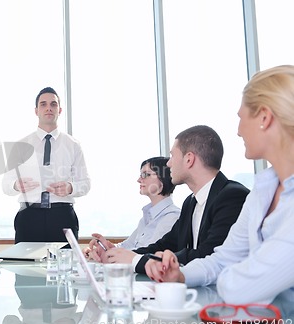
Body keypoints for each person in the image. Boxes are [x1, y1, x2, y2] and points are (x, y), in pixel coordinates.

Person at [145, 65, 294, 304]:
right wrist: (180, 274)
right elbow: (224, 259)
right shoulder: (263, 190)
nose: (238, 131)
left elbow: (242, 287)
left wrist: (225, 276)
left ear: (264, 117)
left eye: (241, 118)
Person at [87, 125, 250, 275]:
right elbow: (165, 245)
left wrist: (136, 260)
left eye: (172, 156)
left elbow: (208, 255)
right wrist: (117, 254)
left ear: (189, 159)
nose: (169, 163)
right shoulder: (191, 202)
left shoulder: (231, 196)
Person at [2, 87, 91, 243]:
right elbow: (5, 184)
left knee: (66, 265)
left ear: (60, 110)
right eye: (43, 104)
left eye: (53, 104)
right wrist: (16, 185)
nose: (48, 108)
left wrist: (71, 188)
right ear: (36, 111)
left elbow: (85, 183)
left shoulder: (73, 145)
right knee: (25, 266)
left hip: (62, 216)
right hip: (29, 216)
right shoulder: (20, 145)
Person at [83, 156, 180, 257]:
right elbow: (127, 246)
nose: (139, 180)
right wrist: (105, 247)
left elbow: (149, 253)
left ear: (162, 179)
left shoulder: (172, 217)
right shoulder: (147, 217)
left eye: (145, 174)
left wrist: (110, 253)